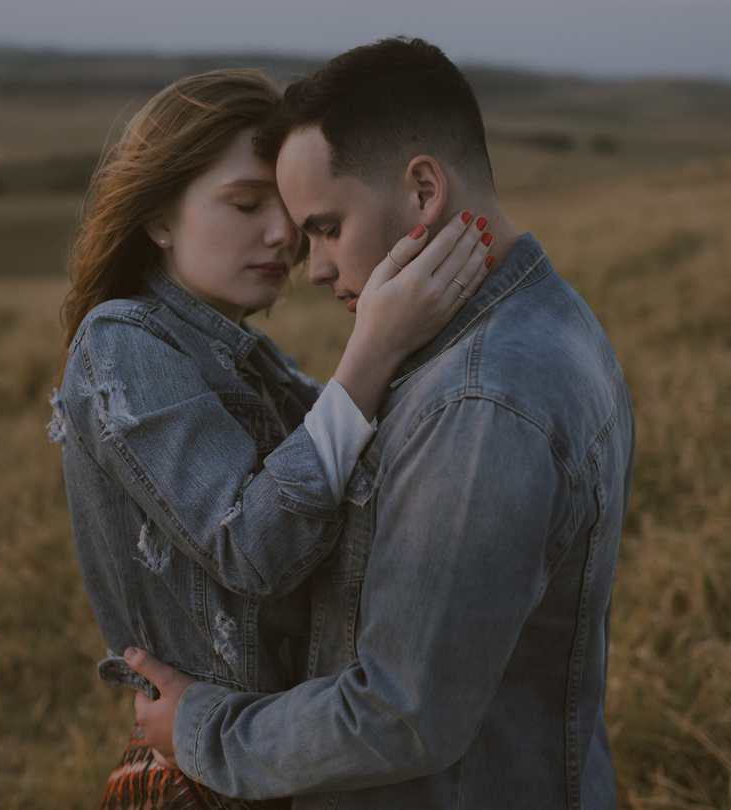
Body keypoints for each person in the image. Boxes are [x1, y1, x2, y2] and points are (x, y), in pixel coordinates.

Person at [126, 38, 637, 809]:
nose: (317, 268)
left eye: (327, 228)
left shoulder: (478, 401)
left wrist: (202, 729)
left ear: (424, 190)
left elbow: (401, 713)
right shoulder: (545, 318)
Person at [47, 68, 494, 809]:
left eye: (286, 209)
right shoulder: (121, 342)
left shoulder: (259, 364)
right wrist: (373, 349)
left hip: (277, 756)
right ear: (159, 218)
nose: (283, 234)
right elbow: (252, 548)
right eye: (244, 204)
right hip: (203, 781)